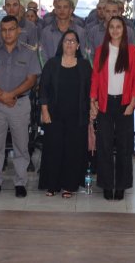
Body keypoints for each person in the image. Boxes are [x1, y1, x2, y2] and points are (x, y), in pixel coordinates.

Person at [0, 15, 41, 198]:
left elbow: (32, 79)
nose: (7, 33)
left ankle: (20, 182)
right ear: (0, 32)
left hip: (20, 103)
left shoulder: (29, 52)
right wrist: (2, 95)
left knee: (21, 144)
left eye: (11, 29)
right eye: (4, 30)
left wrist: (11, 94)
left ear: (18, 30)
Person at [90, 16, 135, 201]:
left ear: (124, 30)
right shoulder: (100, 51)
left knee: (124, 146)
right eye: (111, 27)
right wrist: (93, 100)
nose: (115, 30)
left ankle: (121, 185)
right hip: (105, 102)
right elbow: (95, 77)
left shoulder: (132, 52)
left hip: (124, 103)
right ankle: (106, 184)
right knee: (104, 145)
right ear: (107, 30)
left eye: (118, 27)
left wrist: (133, 101)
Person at [38, 30, 92, 198]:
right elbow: (43, 89)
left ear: (78, 46)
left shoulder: (84, 66)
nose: (69, 43)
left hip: (77, 116)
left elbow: (90, 91)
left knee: (73, 151)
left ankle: (69, 185)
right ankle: (52, 185)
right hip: (54, 115)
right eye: (66, 41)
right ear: (61, 44)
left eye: (73, 41)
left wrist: (92, 110)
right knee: (53, 149)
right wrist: (44, 111)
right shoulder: (52, 64)